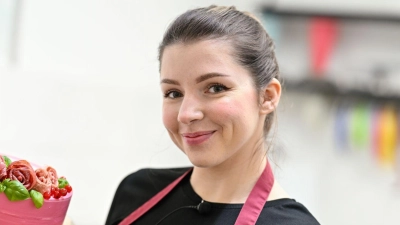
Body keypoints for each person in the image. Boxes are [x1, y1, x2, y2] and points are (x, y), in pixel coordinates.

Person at [106, 5, 319, 225]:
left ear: (267, 96)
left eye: (215, 88)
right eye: (173, 93)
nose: (186, 114)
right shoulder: (137, 193)